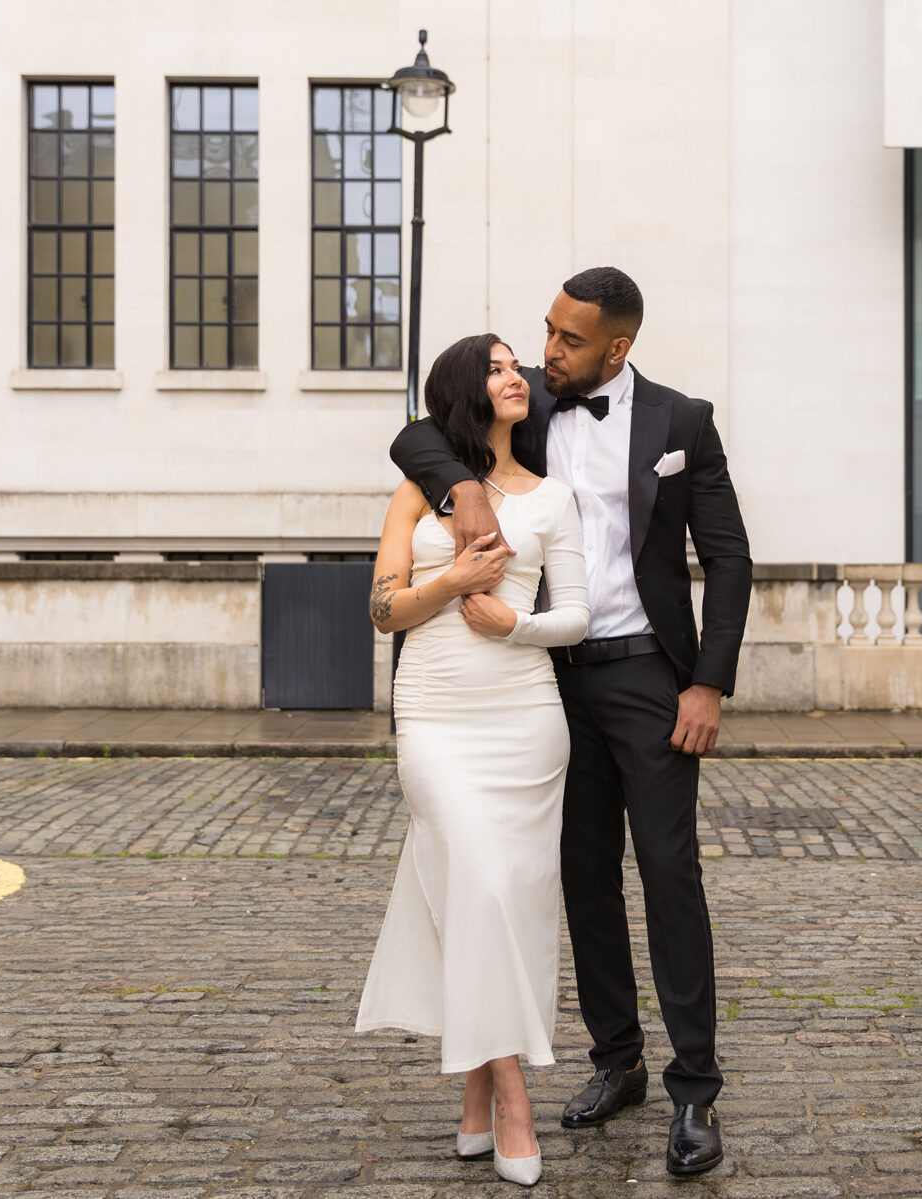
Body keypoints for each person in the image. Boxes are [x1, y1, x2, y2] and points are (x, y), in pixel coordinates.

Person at [390, 268, 752, 1177]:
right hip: (547, 681)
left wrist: (708, 685)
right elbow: (419, 432)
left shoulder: (682, 423)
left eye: (568, 340)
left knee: (670, 874)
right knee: (582, 876)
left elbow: (731, 559)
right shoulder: (539, 407)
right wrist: (459, 489)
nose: (549, 352)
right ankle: (616, 1059)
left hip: (649, 678)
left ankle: (695, 1092)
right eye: (547, 333)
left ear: (616, 347)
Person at [355, 333, 590, 1188]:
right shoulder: (418, 491)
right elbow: (383, 609)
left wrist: (516, 624)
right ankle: (514, 1096)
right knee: (482, 883)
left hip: (525, 717)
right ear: (465, 387)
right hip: (435, 717)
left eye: (517, 364)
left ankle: (475, 1096)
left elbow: (581, 617)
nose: (516, 375)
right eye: (495, 367)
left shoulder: (553, 497)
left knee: (507, 901)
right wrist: (454, 584)